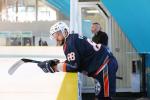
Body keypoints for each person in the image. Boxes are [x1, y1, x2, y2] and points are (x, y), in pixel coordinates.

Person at [37, 22, 118, 100]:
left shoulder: (69, 43)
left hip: (105, 65)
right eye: (55, 36)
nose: (56, 38)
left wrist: (55, 67)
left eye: (58, 34)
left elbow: (74, 66)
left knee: (104, 97)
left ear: (64, 31)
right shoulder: (72, 38)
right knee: (100, 96)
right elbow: (75, 60)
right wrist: (58, 63)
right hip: (104, 64)